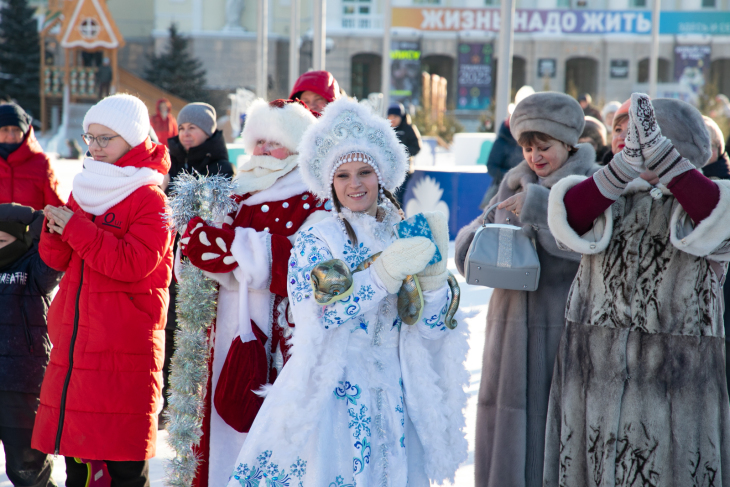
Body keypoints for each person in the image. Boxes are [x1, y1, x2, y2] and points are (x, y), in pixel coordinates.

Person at [223, 98, 468, 486]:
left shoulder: (401, 233)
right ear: (329, 183)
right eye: (343, 175)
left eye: (365, 172)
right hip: (332, 393)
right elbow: (320, 316)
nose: (355, 184)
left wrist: (436, 284)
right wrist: (384, 274)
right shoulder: (317, 237)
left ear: (382, 175)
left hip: (394, 394)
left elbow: (432, 329)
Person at [544, 94, 730, 486]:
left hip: (674, 398)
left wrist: (662, 156)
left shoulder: (706, 202)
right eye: (627, 135)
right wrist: (624, 166)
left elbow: (717, 217)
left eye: (644, 139)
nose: (632, 141)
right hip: (593, 391)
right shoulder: (606, 198)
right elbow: (569, 219)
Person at [454, 92, 600, 487]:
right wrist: (477, 239)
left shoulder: (589, 184)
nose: (535, 156)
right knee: (507, 436)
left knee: (552, 434)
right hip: (508, 328)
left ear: (569, 143)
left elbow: (583, 249)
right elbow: (480, 244)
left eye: (544, 146)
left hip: (563, 329)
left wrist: (536, 207)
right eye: (526, 147)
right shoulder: (515, 179)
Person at [178, 99, 325, 487]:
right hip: (226, 333)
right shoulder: (236, 192)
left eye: (272, 143)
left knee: (267, 437)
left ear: (297, 148)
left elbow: (305, 264)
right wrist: (195, 247)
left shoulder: (315, 196)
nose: (261, 152)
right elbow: (200, 263)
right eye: (257, 142)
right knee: (223, 424)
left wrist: (232, 249)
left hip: (279, 341)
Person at [32, 94, 173, 487]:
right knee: (79, 461)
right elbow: (58, 260)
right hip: (78, 343)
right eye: (89, 137)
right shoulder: (89, 185)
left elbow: (132, 264)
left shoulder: (150, 197)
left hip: (121, 347)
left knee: (121, 464)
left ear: (131, 138)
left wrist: (75, 228)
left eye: (104, 139)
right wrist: (55, 226)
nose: (93, 147)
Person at [161, 102, 234, 430]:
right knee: (169, 324)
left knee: (198, 327)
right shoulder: (168, 160)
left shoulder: (219, 167)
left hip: (203, 261)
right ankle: (167, 396)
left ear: (209, 130)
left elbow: (224, 214)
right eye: (183, 127)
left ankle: (196, 397)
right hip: (167, 255)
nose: (186, 133)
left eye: (193, 127)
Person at [0, 203, 63, 487]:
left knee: (27, 470)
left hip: (21, 384)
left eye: (1, 241)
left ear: (22, 240)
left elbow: (54, 259)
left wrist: (37, 221)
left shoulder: (34, 269)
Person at [0, 104, 64, 210]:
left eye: (16, 129)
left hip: (32, 227)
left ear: (25, 132)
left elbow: (57, 208)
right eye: (5, 129)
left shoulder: (42, 163)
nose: (11, 135)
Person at [600, 98, 630, 165]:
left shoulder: (650, 174)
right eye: (618, 130)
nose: (621, 137)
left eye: (629, 131)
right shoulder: (598, 173)